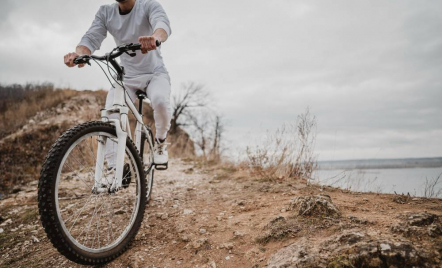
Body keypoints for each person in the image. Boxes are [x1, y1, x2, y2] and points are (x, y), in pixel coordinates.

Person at [64, 0, 172, 167]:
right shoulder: (106, 12)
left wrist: (155, 38)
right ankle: (115, 168)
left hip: (154, 73)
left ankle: (160, 141)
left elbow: (162, 24)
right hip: (127, 76)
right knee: (111, 113)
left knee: (160, 101)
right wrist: (79, 54)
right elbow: (91, 38)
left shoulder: (148, 5)